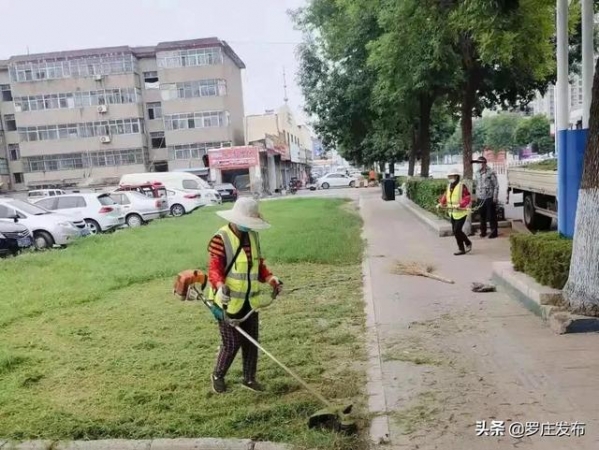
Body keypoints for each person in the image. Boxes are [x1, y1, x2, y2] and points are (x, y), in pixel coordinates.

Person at [207, 197, 283, 394]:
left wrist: (271, 279)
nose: (249, 227)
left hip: (250, 301)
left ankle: (249, 379)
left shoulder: (253, 237)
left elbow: (258, 266)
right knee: (231, 344)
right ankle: (218, 375)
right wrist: (220, 285)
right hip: (227, 302)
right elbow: (214, 268)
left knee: (251, 342)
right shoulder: (221, 238)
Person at [438, 168, 472, 256]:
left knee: (457, 230)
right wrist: (441, 203)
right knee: (455, 230)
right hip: (452, 212)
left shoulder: (462, 186)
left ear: (456, 176)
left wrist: (460, 204)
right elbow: (446, 196)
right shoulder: (449, 186)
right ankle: (467, 243)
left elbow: (467, 197)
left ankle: (462, 248)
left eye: (451, 176)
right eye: (449, 176)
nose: (450, 178)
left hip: (461, 212)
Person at [473, 156, 499, 239]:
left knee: (491, 216)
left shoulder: (490, 172)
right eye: (477, 163)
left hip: (489, 197)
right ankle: (483, 231)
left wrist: (495, 197)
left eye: (480, 163)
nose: (478, 164)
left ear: (484, 163)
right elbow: (476, 185)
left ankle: (493, 232)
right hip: (480, 197)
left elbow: (496, 186)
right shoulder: (476, 173)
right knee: (482, 216)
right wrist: (476, 196)